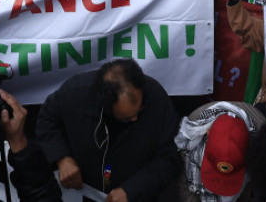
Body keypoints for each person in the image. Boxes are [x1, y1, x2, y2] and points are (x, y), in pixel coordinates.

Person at [36, 58, 181, 202]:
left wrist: (132, 190)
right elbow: (46, 120)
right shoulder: (75, 93)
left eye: (140, 110)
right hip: (84, 191)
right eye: (126, 118)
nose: (135, 119)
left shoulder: (157, 98)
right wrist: (62, 158)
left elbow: (169, 157)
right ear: (105, 106)